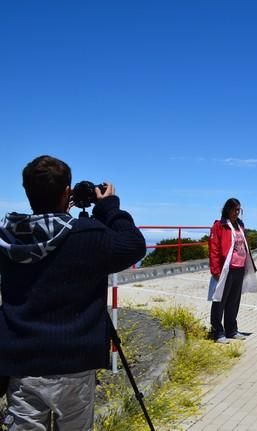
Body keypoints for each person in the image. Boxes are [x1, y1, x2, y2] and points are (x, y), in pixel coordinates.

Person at [0, 155, 146, 429]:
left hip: (22, 364)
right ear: (66, 192)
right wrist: (109, 208)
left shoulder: (8, 237)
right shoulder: (87, 234)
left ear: (26, 190)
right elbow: (134, 244)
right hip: (75, 363)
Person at [208, 198, 257, 344]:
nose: (237, 213)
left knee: (234, 300)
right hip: (225, 269)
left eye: (239, 210)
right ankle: (217, 331)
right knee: (220, 300)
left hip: (239, 268)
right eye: (235, 210)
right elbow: (214, 249)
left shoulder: (240, 225)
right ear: (228, 210)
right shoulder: (219, 226)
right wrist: (215, 270)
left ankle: (231, 329)